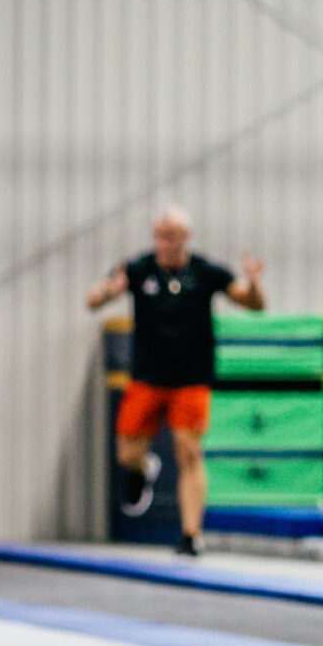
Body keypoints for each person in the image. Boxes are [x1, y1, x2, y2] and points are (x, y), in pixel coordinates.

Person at [87, 206, 266, 557]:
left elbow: (252, 304)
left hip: (191, 378)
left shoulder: (206, 271)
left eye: (170, 237)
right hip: (147, 377)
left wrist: (255, 284)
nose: (163, 244)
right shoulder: (138, 269)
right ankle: (144, 468)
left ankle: (191, 535)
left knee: (189, 453)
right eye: (159, 236)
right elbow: (92, 300)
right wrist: (110, 290)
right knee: (127, 454)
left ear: (185, 238)